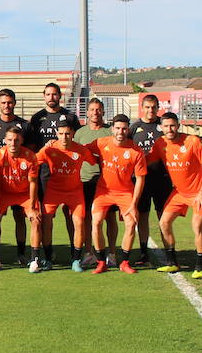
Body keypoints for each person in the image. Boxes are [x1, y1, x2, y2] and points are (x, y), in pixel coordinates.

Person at [151, 112, 202, 278]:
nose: (169, 129)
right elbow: (145, 160)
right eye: (166, 126)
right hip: (179, 193)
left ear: (178, 125)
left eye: (172, 125)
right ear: (161, 128)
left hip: (199, 193)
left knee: (197, 226)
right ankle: (172, 263)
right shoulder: (160, 143)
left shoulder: (192, 141)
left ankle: (200, 268)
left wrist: (201, 192)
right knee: (164, 222)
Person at [87, 114, 146, 275]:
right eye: (118, 128)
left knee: (131, 222)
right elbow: (83, 150)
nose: (121, 131)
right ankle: (100, 262)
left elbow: (140, 179)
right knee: (96, 222)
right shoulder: (101, 142)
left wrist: (134, 204)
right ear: (112, 129)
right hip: (103, 192)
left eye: (124, 128)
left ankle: (125, 262)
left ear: (128, 130)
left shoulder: (136, 151)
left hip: (125, 192)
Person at [35, 119, 90, 272]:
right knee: (46, 221)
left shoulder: (81, 150)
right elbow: (33, 162)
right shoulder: (49, 149)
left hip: (75, 192)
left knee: (79, 222)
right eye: (60, 134)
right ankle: (47, 258)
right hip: (53, 191)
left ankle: (76, 259)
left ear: (73, 134)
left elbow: (95, 161)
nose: (64, 137)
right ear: (56, 134)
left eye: (67, 134)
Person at [0, 128, 40, 272]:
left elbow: (33, 183)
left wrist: (34, 206)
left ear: (21, 141)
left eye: (16, 140)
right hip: (4, 193)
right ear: (5, 141)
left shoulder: (30, 156)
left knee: (35, 219)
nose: (13, 143)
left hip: (24, 194)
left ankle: (33, 259)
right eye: (10, 140)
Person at [129, 93, 170, 266]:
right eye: (147, 107)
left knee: (164, 217)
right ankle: (144, 252)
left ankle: (169, 252)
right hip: (141, 181)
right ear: (142, 108)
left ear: (158, 108)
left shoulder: (163, 125)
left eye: (154, 107)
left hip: (162, 179)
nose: (151, 110)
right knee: (143, 216)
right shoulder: (134, 128)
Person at [73, 97, 114, 266]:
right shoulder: (80, 133)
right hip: (85, 180)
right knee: (88, 218)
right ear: (87, 112)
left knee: (109, 218)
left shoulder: (110, 132)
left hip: (107, 182)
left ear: (103, 112)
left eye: (98, 109)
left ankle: (111, 253)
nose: (95, 112)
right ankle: (89, 252)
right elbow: (73, 155)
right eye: (92, 109)